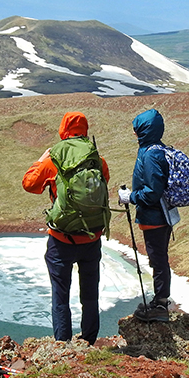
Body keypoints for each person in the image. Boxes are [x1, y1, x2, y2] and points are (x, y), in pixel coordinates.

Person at [22, 111, 109, 345]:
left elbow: (29, 184)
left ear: (63, 129)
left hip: (62, 239)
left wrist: (40, 160)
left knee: (61, 294)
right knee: (90, 293)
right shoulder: (96, 159)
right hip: (91, 237)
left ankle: (63, 345)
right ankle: (89, 340)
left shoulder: (54, 158)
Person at [118, 108, 173, 323]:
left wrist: (130, 197)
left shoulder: (150, 154)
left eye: (137, 129)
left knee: (158, 260)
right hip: (161, 217)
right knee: (158, 258)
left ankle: (160, 306)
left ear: (145, 130)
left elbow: (152, 192)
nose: (134, 133)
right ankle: (160, 301)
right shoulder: (156, 149)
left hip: (154, 219)